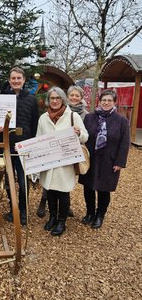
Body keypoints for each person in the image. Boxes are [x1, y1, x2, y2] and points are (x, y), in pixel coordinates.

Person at [36, 86, 88, 236]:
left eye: (58, 98)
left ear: (63, 99)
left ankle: (61, 222)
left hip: (65, 162)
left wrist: (79, 133)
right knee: (50, 192)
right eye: (52, 98)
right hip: (49, 162)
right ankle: (52, 217)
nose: (55, 101)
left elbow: (86, 136)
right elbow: (39, 139)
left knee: (63, 193)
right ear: (48, 100)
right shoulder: (43, 118)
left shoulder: (73, 116)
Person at [79, 89, 130, 229]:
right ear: (99, 102)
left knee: (103, 189)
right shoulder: (89, 117)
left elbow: (125, 143)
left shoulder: (121, 121)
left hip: (109, 160)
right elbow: (83, 137)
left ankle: (100, 215)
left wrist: (120, 162)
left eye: (109, 100)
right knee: (88, 187)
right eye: (104, 100)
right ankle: (89, 213)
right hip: (91, 158)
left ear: (114, 102)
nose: (106, 103)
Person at [0, 67, 39, 225]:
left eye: (18, 78)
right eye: (13, 78)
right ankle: (12, 207)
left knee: (22, 180)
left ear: (23, 81)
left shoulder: (31, 99)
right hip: (6, 143)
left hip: (24, 145)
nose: (15, 81)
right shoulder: (2, 98)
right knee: (8, 178)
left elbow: (34, 123)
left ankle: (23, 210)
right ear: (9, 80)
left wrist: (32, 143)